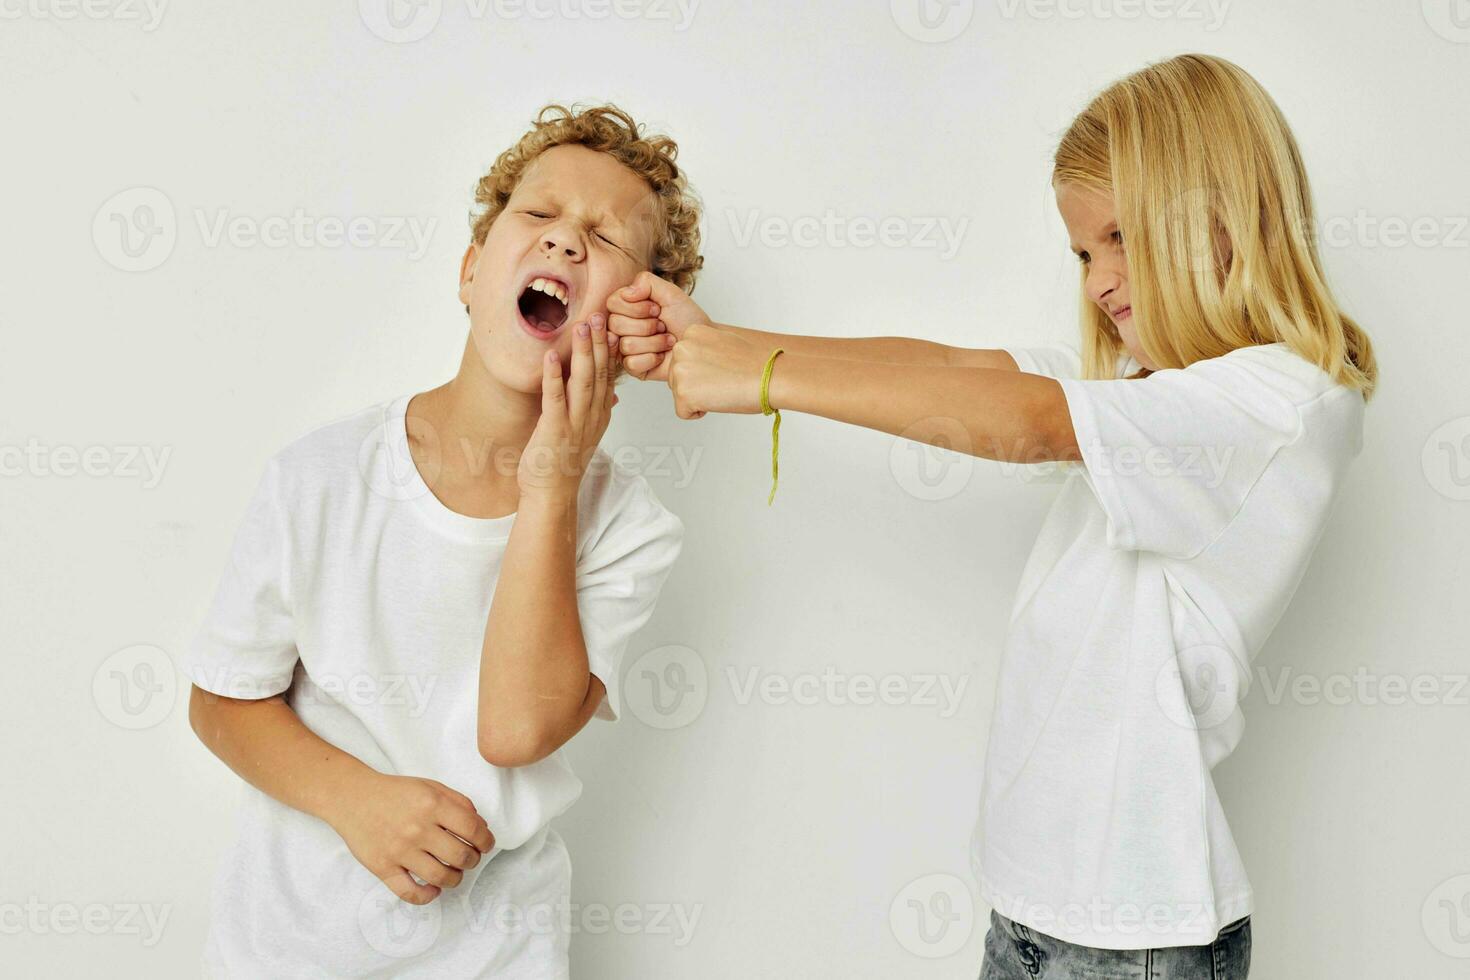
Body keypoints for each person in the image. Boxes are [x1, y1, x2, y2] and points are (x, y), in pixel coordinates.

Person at [606, 54, 1374, 979]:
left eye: (1120, 238)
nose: (1099, 280)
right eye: (1084, 252)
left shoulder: (1275, 404)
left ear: (1219, 215)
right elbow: (964, 371)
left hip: (1128, 940)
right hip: (1046, 916)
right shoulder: (1156, 397)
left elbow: (1034, 421)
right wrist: (723, 342)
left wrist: (760, 382)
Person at [182, 103, 700, 978]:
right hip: (287, 949)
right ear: (471, 270)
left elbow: (514, 729)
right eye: (538, 215)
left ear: (634, 324)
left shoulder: (628, 529)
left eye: (605, 239)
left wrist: (551, 485)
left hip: (493, 954)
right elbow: (222, 699)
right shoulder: (320, 476)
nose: (565, 243)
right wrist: (357, 802)